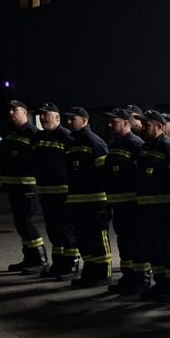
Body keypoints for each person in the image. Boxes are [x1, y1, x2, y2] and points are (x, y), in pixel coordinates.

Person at [135, 110, 170, 301]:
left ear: (159, 126)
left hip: (166, 210)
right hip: (147, 209)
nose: (142, 128)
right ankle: (161, 284)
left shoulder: (169, 147)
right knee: (153, 248)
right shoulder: (145, 148)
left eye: (146, 125)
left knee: (169, 249)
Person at [62, 106, 112, 288]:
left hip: (95, 201)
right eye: (68, 119)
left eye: (73, 119)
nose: (69, 122)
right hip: (77, 201)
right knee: (83, 239)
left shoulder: (94, 142)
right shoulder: (72, 143)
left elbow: (105, 174)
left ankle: (103, 274)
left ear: (84, 120)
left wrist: (106, 202)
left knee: (97, 239)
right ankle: (90, 272)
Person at [103, 107, 147, 296]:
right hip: (118, 204)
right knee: (124, 242)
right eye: (109, 121)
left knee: (137, 242)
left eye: (114, 121)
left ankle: (142, 279)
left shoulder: (136, 145)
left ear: (126, 123)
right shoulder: (113, 145)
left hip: (133, 204)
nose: (110, 125)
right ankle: (128, 277)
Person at [32, 103, 78, 279]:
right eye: (41, 115)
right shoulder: (38, 137)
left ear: (57, 117)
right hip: (46, 192)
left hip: (63, 193)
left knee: (66, 230)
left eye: (47, 115)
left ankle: (71, 264)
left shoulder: (66, 137)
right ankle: (58, 263)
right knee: (53, 230)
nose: (43, 118)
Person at [0, 100, 47, 273]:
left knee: (27, 223)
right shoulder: (10, 132)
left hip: (27, 187)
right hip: (14, 186)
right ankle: (29, 258)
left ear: (25, 112)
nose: (11, 113)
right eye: (10, 110)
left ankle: (40, 259)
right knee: (20, 223)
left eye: (15, 110)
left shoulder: (33, 133)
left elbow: (39, 161)